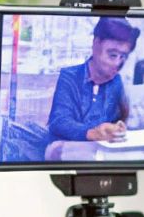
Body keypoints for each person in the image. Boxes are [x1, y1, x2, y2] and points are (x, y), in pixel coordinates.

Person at [48, 17, 137, 145]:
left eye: (123, 57)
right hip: (65, 153)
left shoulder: (117, 82)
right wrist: (92, 133)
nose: (117, 63)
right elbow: (59, 122)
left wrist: (118, 128)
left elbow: (122, 118)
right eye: (112, 55)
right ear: (96, 44)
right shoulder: (70, 76)